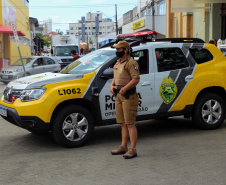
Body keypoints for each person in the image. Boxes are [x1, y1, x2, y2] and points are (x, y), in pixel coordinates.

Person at [110, 41, 140, 159]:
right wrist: (112, 86)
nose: (117, 51)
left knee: (130, 124)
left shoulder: (131, 63)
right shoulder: (118, 63)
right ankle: (123, 146)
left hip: (128, 96)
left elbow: (136, 79)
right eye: (116, 49)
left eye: (119, 49)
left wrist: (124, 89)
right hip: (119, 96)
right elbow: (115, 77)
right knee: (122, 124)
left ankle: (133, 149)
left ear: (125, 50)